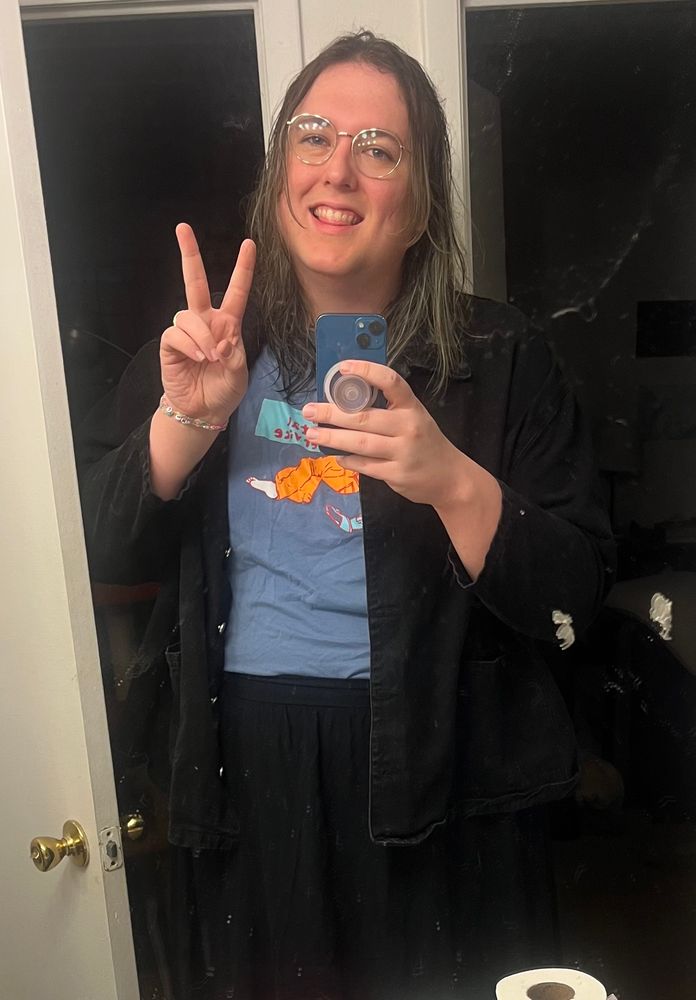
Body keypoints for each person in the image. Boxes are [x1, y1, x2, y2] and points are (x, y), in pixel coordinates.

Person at [77, 30, 615, 1000]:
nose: (339, 169)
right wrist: (187, 419)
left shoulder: (498, 354)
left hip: (451, 759)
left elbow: (573, 599)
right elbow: (103, 553)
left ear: (419, 207)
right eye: (314, 135)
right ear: (280, 170)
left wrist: (451, 478)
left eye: (380, 148)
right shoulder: (206, 348)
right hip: (251, 757)